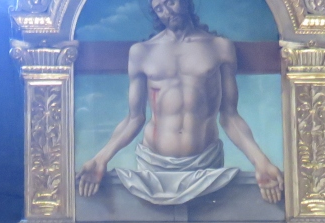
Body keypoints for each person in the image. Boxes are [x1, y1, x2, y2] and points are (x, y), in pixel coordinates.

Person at [75, 0, 283, 205]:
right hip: (153, 164)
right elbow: (134, 118)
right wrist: (100, 159)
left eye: (170, 2)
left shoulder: (219, 47)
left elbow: (230, 116)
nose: (167, 11)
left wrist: (261, 161)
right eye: (159, 8)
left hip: (205, 163)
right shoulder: (142, 52)